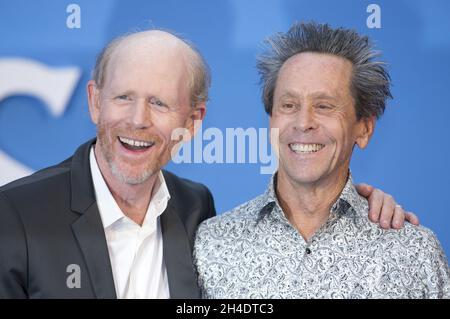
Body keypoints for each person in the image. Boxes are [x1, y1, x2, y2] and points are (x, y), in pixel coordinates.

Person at [0, 29, 414, 299]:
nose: (138, 119)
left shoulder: (196, 211)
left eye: (159, 103)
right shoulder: (15, 215)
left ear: (193, 121)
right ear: (94, 101)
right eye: (124, 97)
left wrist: (359, 206)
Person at [193, 22, 450, 299]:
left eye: (324, 106)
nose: (303, 123)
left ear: (363, 128)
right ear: (271, 121)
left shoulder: (414, 253)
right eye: (289, 105)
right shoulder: (212, 244)